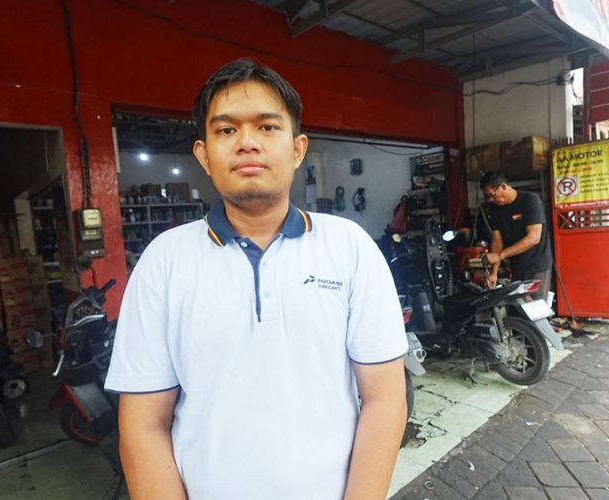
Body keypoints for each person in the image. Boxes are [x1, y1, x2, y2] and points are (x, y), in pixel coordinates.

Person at [104, 58, 408, 500]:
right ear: (204, 155)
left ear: (298, 149)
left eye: (267, 127)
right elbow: (143, 423)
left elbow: (384, 398)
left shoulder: (350, 247)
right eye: (227, 130)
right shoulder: (164, 260)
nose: (247, 143)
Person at [480, 171, 552, 300]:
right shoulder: (495, 209)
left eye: (491, 195)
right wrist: (493, 273)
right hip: (517, 266)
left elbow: (533, 238)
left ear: (503, 186)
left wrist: (500, 255)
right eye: (487, 197)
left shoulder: (530, 200)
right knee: (517, 306)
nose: (490, 199)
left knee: (535, 308)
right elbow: (497, 242)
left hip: (537, 266)